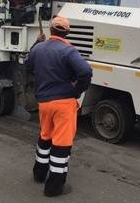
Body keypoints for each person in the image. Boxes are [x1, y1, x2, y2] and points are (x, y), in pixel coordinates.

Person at [27, 16, 92, 197]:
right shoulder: (69, 51)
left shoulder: (38, 49)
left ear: (51, 30)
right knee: (61, 144)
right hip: (63, 103)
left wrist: (36, 44)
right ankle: (54, 187)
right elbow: (85, 72)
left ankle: (39, 174)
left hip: (44, 103)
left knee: (45, 136)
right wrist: (77, 91)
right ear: (67, 32)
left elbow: (28, 65)